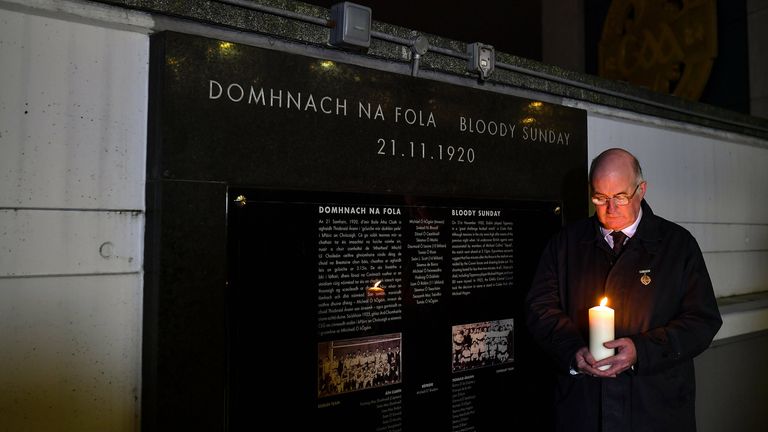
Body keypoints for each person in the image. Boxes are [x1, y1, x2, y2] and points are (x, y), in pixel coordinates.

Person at [526, 148, 722, 432]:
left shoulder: (678, 245)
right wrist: (572, 350)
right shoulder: (565, 244)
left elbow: (703, 321)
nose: (610, 208)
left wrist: (642, 350)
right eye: (600, 198)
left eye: (620, 197)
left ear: (641, 190)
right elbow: (540, 309)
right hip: (583, 408)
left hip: (654, 409)